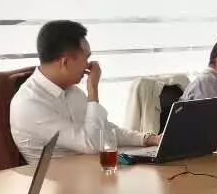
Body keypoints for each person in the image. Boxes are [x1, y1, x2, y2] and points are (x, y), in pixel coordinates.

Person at [10, 20, 158, 165]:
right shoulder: (30, 104)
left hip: (89, 171)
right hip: (58, 178)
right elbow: (92, 144)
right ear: (65, 62)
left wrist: (148, 139)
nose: (89, 65)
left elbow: (103, 131)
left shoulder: (71, 91)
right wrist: (93, 89)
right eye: (86, 58)